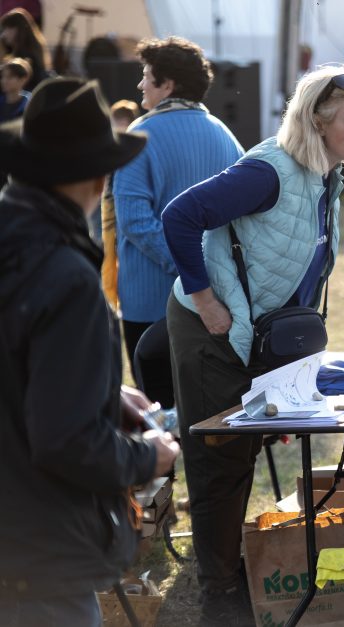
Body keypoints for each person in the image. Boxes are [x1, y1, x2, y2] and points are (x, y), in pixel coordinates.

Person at [162, 65, 344, 625]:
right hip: (209, 327)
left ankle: (234, 574)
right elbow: (180, 216)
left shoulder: (325, 175)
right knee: (219, 460)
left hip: (257, 337)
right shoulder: (270, 172)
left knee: (244, 452)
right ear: (317, 119)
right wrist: (206, 300)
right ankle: (220, 596)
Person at [0, 77, 179, 626]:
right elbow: (67, 441)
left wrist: (100, 387)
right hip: (39, 556)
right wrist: (151, 455)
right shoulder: (65, 276)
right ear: (99, 175)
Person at [112, 36, 243, 384]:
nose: (140, 83)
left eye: (146, 74)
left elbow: (135, 223)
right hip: (217, 298)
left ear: (167, 84)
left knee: (161, 418)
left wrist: (187, 268)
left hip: (151, 300)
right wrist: (201, 276)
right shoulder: (226, 135)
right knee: (207, 412)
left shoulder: (137, 136)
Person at [99, 100, 141, 307]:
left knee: (117, 257)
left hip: (119, 208)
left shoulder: (133, 147)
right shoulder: (113, 146)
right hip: (108, 207)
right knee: (109, 258)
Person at [0, 8, 47, 90]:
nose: (3, 35)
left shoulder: (27, 58)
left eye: (7, 29)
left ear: (18, 30)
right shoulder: (14, 52)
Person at [0, 56, 29, 122]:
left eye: (10, 77)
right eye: (3, 76)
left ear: (22, 80)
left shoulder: (29, 105)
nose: (4, 81)